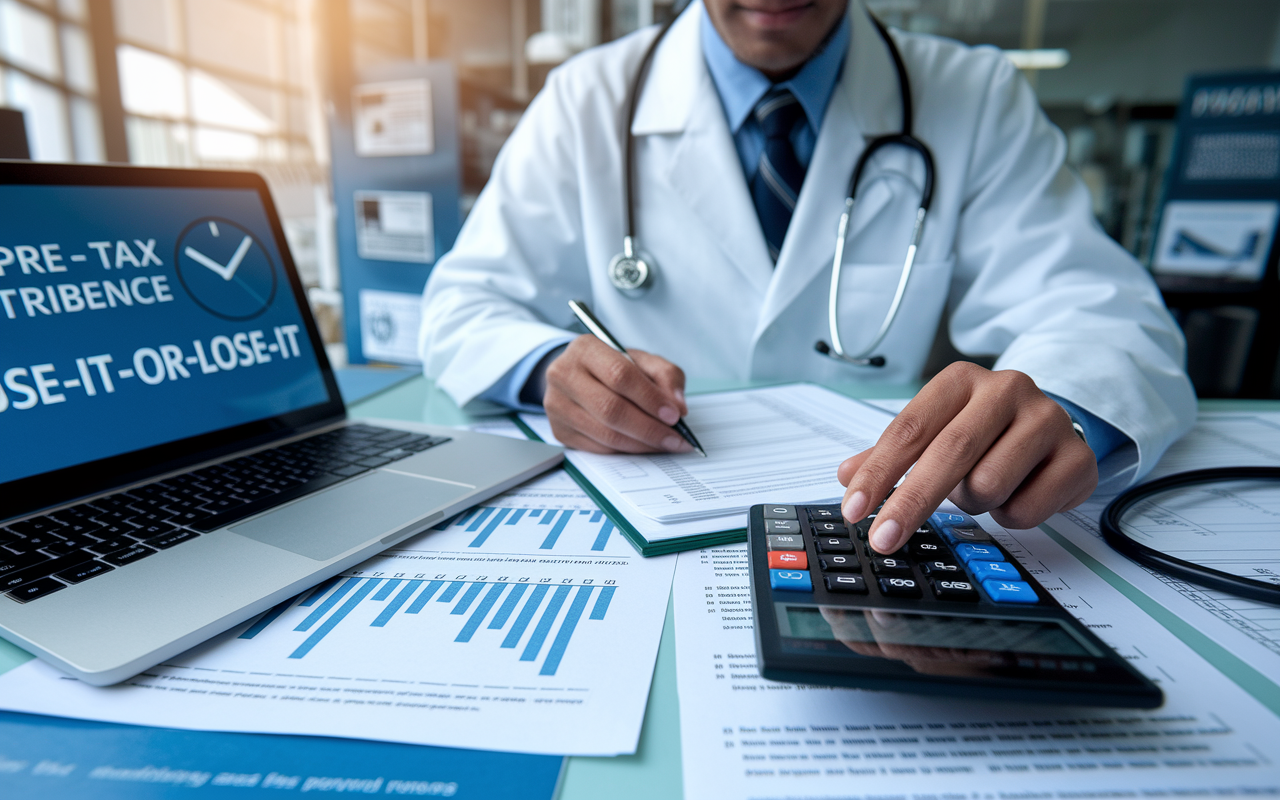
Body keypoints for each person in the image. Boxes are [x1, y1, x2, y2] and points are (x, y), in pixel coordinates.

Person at [418, 0, 1196, 555]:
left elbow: (1102, 311)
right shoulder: (587, 98)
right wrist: (551, 370)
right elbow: (464, 305)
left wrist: (1062, 408)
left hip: (875, 532)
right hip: (642, 533)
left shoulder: (974, 96)